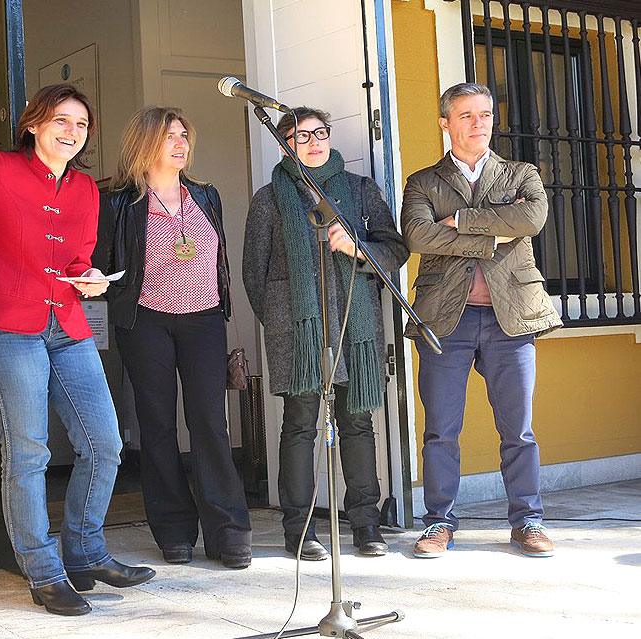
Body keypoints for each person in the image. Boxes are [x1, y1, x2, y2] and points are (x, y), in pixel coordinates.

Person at [0, 83, 155, 616]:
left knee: (105, 444)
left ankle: (85, 552)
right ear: (33, 124)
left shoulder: (85, 190)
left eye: (81, 125)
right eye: (61, 120)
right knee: (29, 451)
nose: (71, 132)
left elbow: (77, 258)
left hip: (68, 324)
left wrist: (91, 277)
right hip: (7, 327)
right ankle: (43, 570)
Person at [401, 82, 562, 559]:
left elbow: (531, 221)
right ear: (445, 123)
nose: (479, 123)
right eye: (467, 115)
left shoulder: (521, 174)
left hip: (510, 319)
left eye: (486, 114)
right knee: (441, 430)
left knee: (519, 430)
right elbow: (417, 236)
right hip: (444, 320)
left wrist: (459, 222)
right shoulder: (422, 182)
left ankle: (528, 520)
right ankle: (439, 523)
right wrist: (495, 230)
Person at [243, 107, 409, 559]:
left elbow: (395, 250)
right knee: (299, 425)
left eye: (320, 132)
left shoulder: (359, 190)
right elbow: (254, 272)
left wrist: (358, 248)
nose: (314, 142)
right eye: (301, 136)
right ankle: (300, 530)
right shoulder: (269, 199)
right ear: (284, 145)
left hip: (355, 323)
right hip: (297, 331)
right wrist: (285, 321)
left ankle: (366, 525)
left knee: (357, 422)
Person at [93, 106, 253, 569]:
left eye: (184, 135)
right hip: (145, 323)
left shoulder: (205, 195)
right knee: (158, 425)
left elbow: (218, 258)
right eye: (170, 137)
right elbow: (101, 264)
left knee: (210, 423)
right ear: (145, 144)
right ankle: (174, 531)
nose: (181, 144)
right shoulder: (119, 202)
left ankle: (229, 532)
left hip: (204, 320)